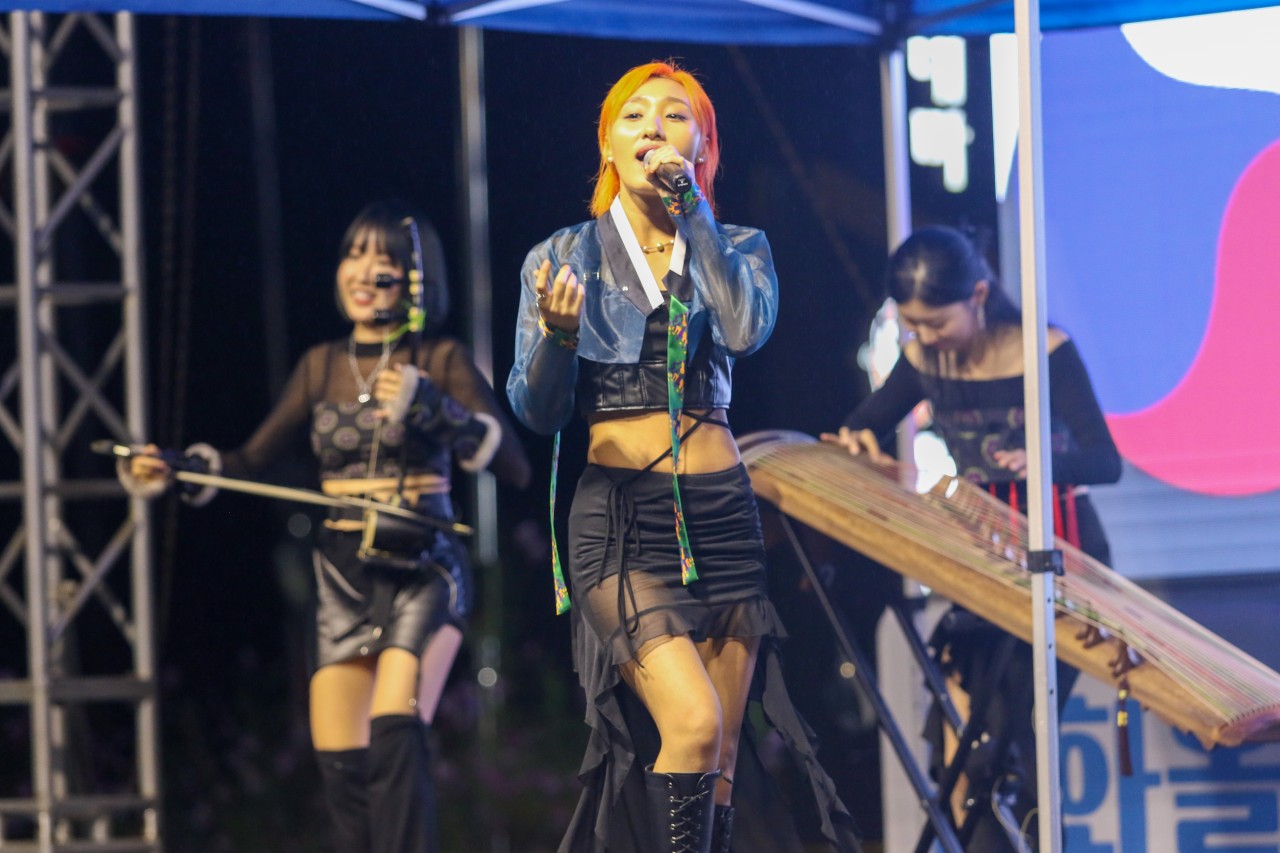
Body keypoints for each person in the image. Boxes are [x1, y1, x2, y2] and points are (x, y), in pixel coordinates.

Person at [507, 61, 860, 853]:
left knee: (721, 754)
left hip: (723, 516)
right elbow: (536, 410)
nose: (653, 129)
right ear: (607, 144)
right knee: (693, 722)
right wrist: (558, 339)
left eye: (674, 116)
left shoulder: (737, 246)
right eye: (634, 117)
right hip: (620, 521)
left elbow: (742, 329)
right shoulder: (561, 256)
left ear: (702, 146)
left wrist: (692, 210)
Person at [120, 201, 531, 853]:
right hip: (343, 567)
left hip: (423, 561)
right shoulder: (320, 364)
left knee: (396, 733)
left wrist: (434, 407)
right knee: (343, 764)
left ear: (415, 279)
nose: (364, 272)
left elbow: (514, 466)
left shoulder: (439, 356)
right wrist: (174, 466)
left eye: (384, 259)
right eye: (353, 255)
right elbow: (251, 460)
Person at [823, 225, 1121, 851]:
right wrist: (856, 442)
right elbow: (864, 423)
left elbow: (1105, 461)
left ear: (979, 295)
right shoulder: (926, 359)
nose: (924, 337)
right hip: (985, 559)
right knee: (972, 737)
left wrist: (1041, 463)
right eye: (912, 325)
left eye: (935, 323)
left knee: (1020, 730)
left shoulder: (1046, 349)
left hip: (1062, 555)